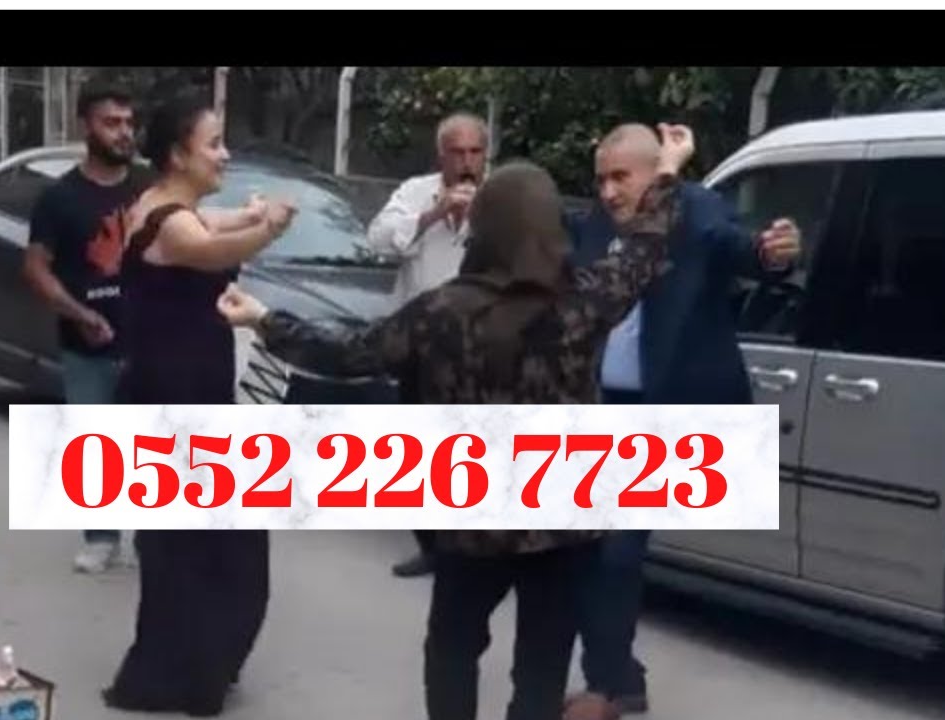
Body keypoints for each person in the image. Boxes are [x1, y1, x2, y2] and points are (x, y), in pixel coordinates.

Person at [217, 124, 697, 720]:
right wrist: (667, 171)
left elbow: (349, 353)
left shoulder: (442, 310)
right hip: (564, 522)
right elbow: (645, 249)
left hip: (472, 520)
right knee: (544, 661)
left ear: (484, 228)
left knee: (453, 644)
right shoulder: (584, 304)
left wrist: (262, 318)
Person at [563, 123, 802, 716]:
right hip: (601, 409)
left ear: (654, 171)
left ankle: (607, 686)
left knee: (616, 551)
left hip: (661, 413)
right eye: (601, 179)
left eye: (621, 177)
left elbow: (739, 248)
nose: (609, 191)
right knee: (586, 552)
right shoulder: (593, 225)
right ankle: (621, 675)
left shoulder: (697, 209)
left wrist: (774, 253)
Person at [100, 95, 295, 718]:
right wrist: (271, 225)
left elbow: (220, 223)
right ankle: (183, 676)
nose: (225, 154)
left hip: (192, 398)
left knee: (208, 548)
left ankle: (197, 668)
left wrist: (254, 213)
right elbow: (213, 250)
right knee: (199, 551)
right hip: (174, 404)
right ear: (178, 155)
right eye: (213, 143)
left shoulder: (173, 208)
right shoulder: (169, 224)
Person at [22, 81, 152, 574]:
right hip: (86, 346)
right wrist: (79, 314)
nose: (123, 132)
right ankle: (101, 538)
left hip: (148, 341)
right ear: (86, 126)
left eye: (128, 122)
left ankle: (151, 540)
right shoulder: (59, 198)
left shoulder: (149, 187)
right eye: (111, 122)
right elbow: (36, 268)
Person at [365, 111, 489, 578]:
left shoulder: (500, 197)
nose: (466, 162)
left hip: (479, 346)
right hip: (420, 345)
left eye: (475, 152)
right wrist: (434, 213)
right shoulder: (416, 191)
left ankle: (468, 549)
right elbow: (377, 240)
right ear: (441, 156)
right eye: (457, 152)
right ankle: (432, 546)